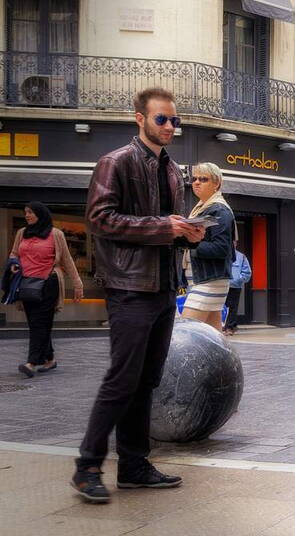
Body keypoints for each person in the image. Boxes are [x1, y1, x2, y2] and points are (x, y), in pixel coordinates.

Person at [74, 87, 206, 503]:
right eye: (162, 119)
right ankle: (87, 467)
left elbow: (169, 227)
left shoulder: (171, 170)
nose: (170, 126)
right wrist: (163, 227)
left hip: (165, 286)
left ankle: (133, 466)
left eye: (174, 120)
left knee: (147, 381)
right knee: (122, 379)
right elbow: (100, 219)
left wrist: (189, 235)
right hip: (129, 287)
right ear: (140, 119)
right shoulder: (115, 162)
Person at [9, 202, 84, 377]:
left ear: (40, 214)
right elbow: (14, 253)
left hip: (49, 283)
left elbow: (67, 260)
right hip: (27, 284)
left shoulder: (55, 234)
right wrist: (13, 263)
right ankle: (49, 359)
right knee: (36, 322)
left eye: (30, 212)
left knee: (40, 322)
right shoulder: (22, 233)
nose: (27, 215)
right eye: (25, 212)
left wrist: (77, 284)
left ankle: (32, 362)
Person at [180, 162, 235, 332]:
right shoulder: (203, 208)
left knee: (186, 333)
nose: (196, 182)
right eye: (194, 179)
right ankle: (224, 360)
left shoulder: (219, 210)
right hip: (204, 280)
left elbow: (221, 248)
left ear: (216, 183)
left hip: (209, 281)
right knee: (213, 337)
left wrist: (190, 242)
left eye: (203, 179)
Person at [224, 238, 251, 336]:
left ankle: (230, 328)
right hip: (221, 285)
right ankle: (222, 327)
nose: (232, 244)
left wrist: (238, 280)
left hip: (235, 287)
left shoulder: (241, 257)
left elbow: (247, 273)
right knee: (222, 307)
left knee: (232, 308)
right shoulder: (222, 254)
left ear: (235, 244)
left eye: (233, 243)